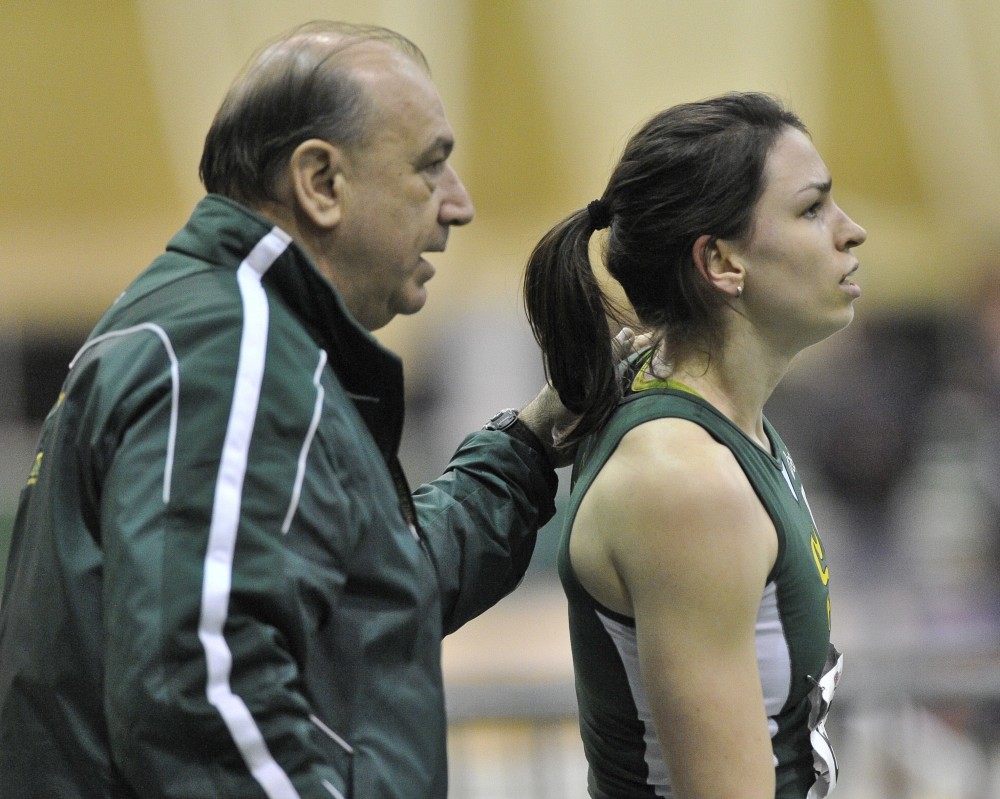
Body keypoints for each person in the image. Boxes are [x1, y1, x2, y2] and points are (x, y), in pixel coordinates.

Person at [0, 20, 623, 799]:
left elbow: (359, 597)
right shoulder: (232, 352)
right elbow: (201, 695)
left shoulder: (215, 327)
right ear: (321, 183)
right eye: (430, 167)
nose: (457, 206)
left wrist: (527, 447)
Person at [523, 92, 867, 799]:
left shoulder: (708, 412)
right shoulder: (683, 480)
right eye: (812, 209)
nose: (851, 231)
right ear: (720, 261)